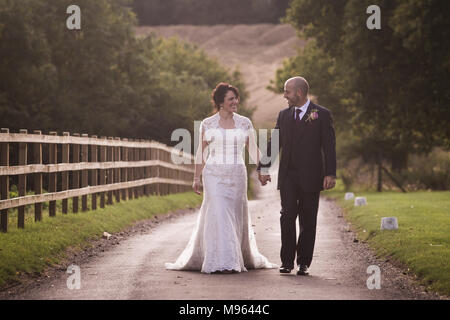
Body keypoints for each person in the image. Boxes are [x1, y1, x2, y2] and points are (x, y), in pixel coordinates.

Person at [165, 82, 277, 274]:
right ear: (220, 103)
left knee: (234, 215)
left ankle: (236, 255)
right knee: (218, 212)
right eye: (231, 99)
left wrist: (263, 169)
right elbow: (201, 152)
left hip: (236, 175)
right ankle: (224, 261)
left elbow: (253, 150)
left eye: (236, 98)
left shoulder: (244, 123)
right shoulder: (208, 124)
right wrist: (196, 178)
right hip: (214, 175)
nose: (235, 102)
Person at [257, 76, 336, 276]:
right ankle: (286, 262)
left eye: (287, 91)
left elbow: (329, 146)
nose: (285, 95)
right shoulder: (284, 115)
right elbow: (274, 143)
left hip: (312, 176)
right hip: (288, 176)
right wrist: (263, 167)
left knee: (308, 220)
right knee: (287, 216)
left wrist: (330, 173)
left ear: (299, 93)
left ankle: (303, 263)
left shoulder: (322, 115)